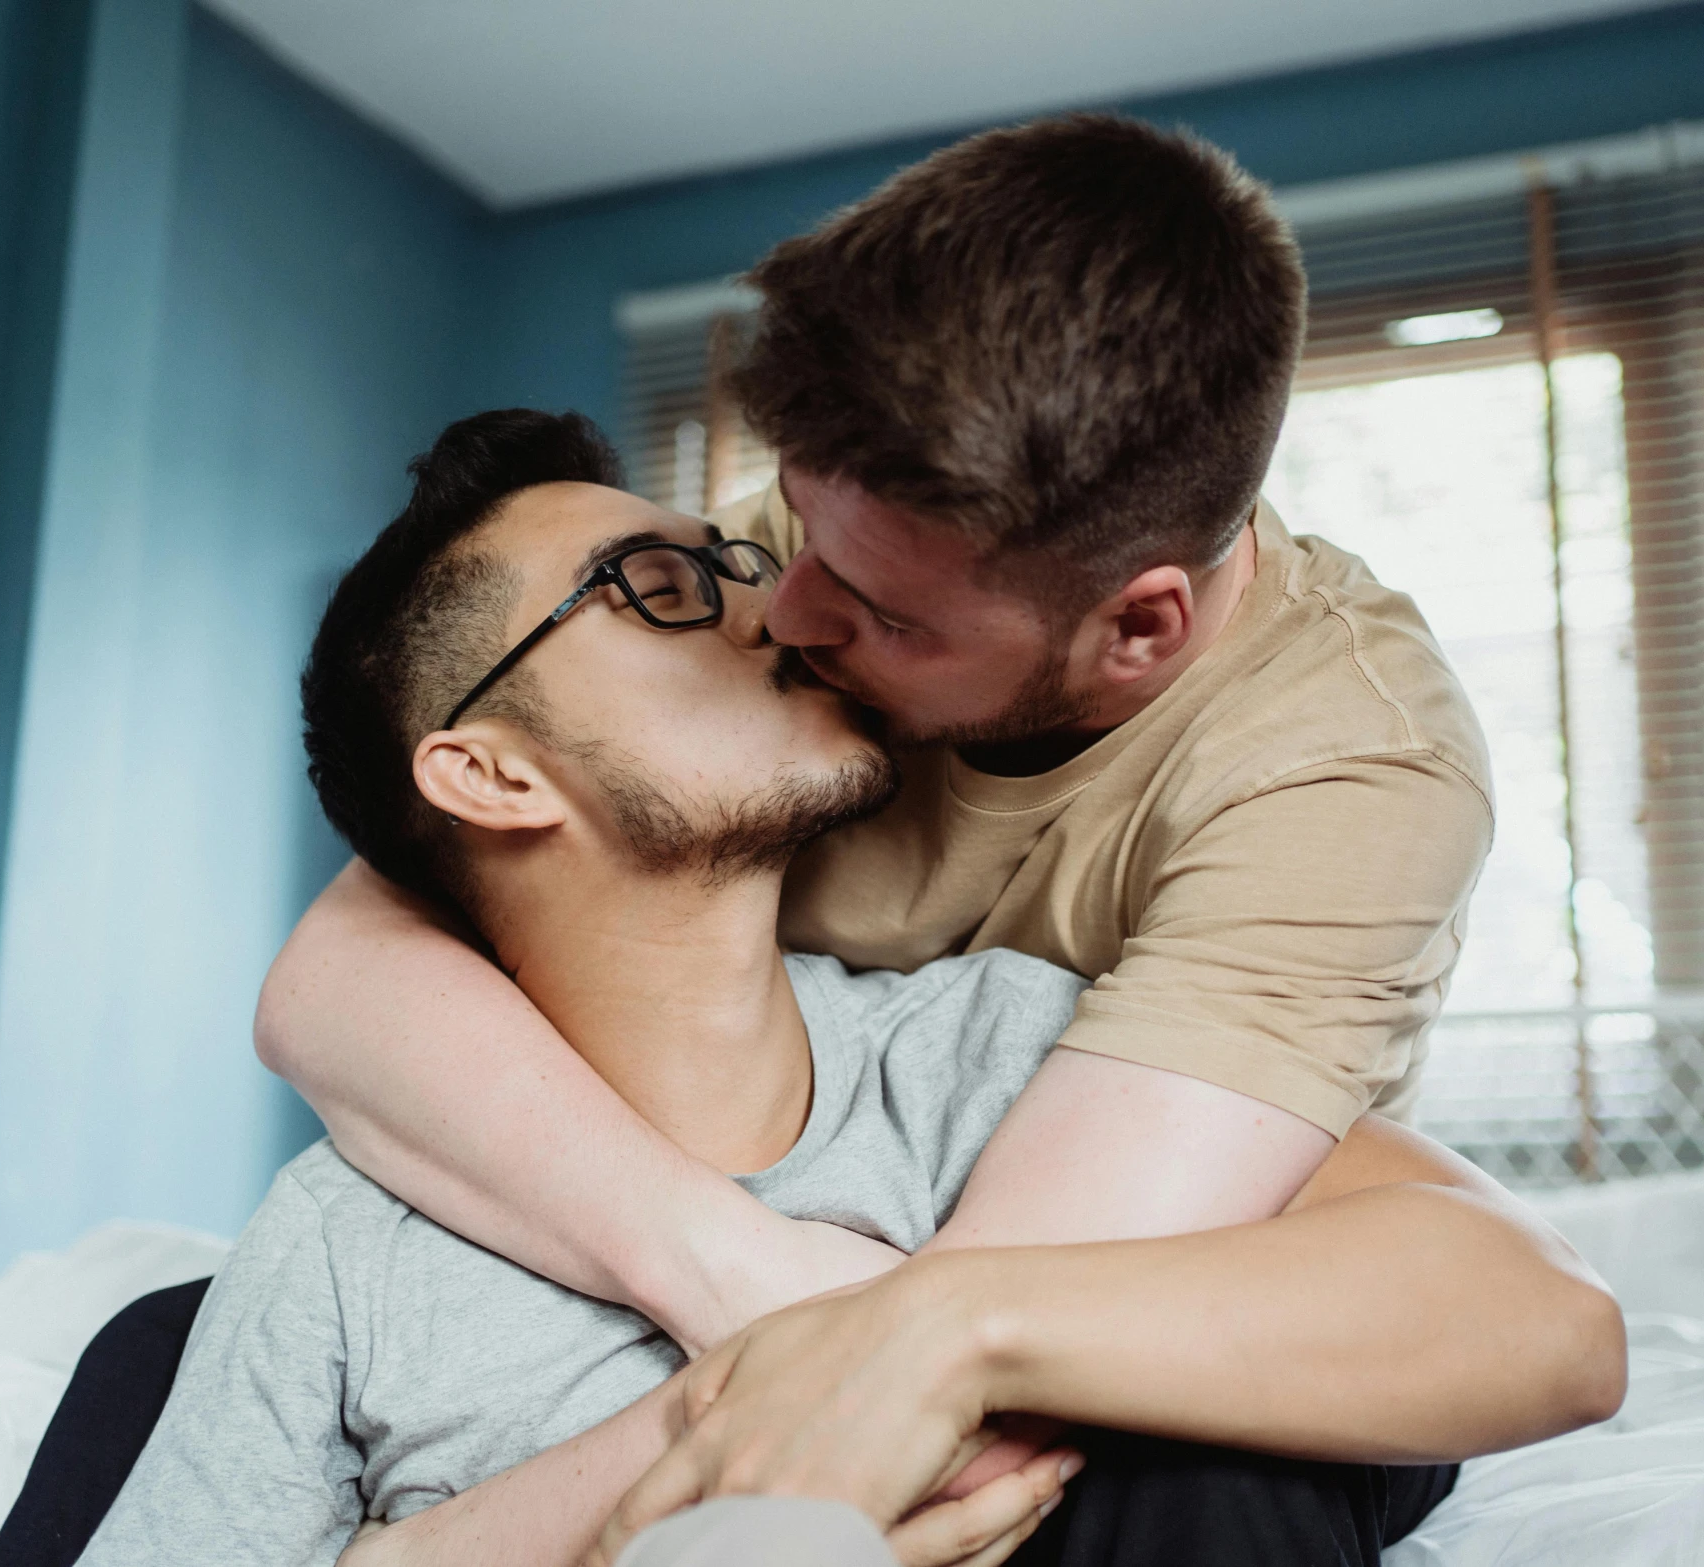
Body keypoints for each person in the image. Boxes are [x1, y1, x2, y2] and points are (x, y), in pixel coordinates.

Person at [74, 410, 1618, 1567]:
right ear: (485, 770)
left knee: (1223, 1456)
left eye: (737, 559)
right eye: (665, 581)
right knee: (144, 1342)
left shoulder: (1007, 1054)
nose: (783, 606)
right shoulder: (347, 1245)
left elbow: (1536, 1306)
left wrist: (933, 1331)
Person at [258, 112, 1500, 1390]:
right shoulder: (844, 547)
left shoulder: (1347, 779)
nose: (784, 613)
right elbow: (337, 982)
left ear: (1134, 628)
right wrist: (730, 1269)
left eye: (887, 616)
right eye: (791, 529)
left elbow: (995, 1323)